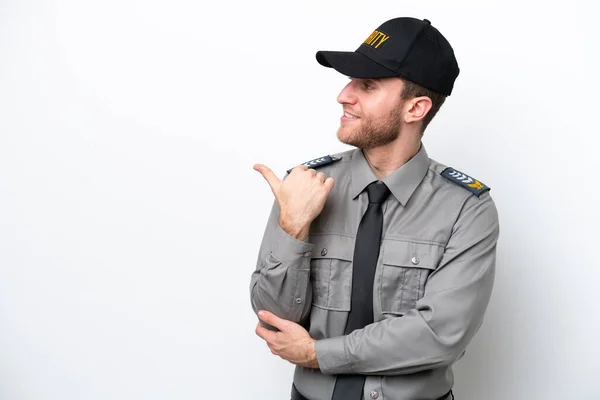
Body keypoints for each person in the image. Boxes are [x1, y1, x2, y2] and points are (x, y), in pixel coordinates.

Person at [249, 16, 499, 400]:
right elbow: (273, 319)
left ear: (415, 108)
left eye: (367, 85)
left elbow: (439, 334)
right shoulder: (305, 186)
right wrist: (292, 227)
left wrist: (318, 354)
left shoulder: (466, 208)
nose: (343, 95)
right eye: (350, 82)